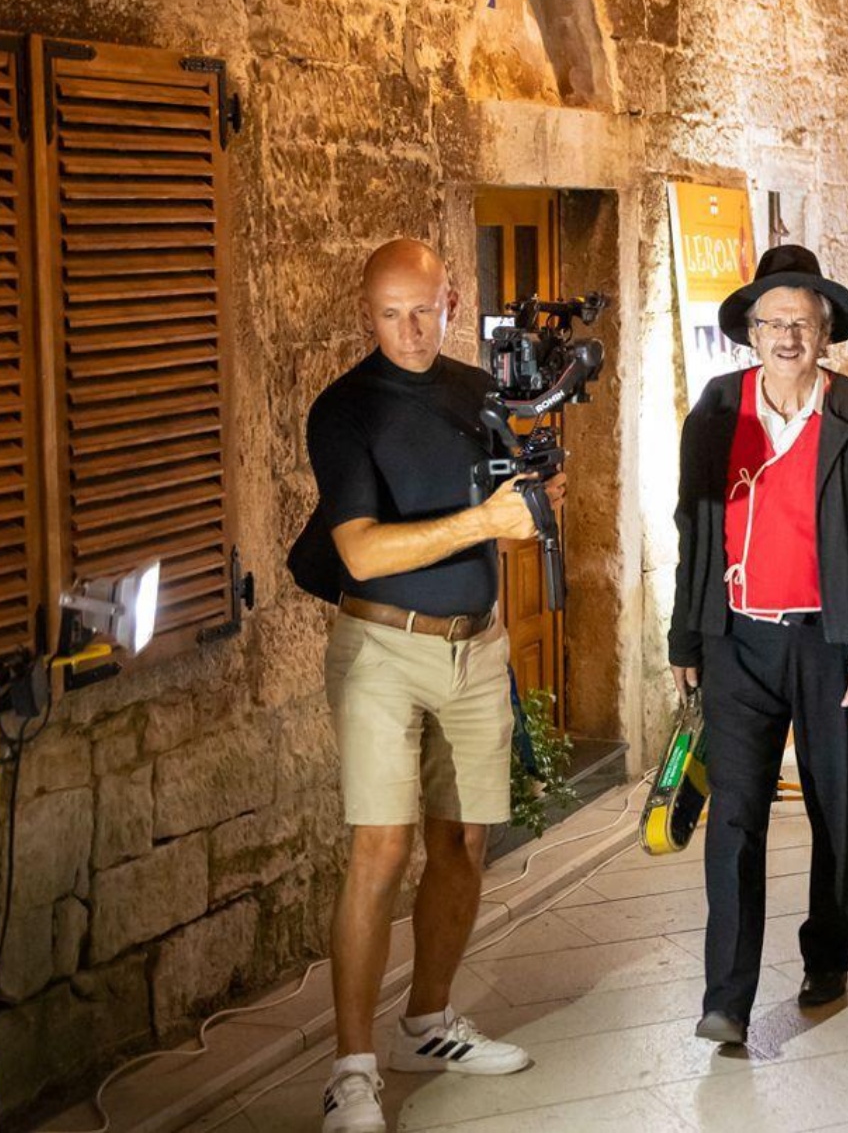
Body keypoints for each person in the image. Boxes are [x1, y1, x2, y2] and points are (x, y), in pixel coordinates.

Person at [293, 240, 550, 1132]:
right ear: (366, 313)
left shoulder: (479, 393)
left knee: (465, 843)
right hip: (381, 652)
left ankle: (428, 1021)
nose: (408, 329)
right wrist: (485, 520)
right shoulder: (344, 411)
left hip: (476, 648)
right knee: (380, 849)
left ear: (450, 301)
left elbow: (520, 500)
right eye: (389, 313)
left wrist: (533, 496)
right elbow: (360, 549)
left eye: (424, 309)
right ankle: (352, 1069)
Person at [667, 246, 848, 1049]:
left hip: (831, 645)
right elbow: (692, 528)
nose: (786, 336)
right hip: (736, 639)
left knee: (835, 809)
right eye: (772, 321)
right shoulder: (714, 409)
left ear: (826, 331)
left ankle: (829, 955)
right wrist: (684, 632)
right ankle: (727, 997)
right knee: (734, 817)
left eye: (802, 323)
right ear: (749, 331)